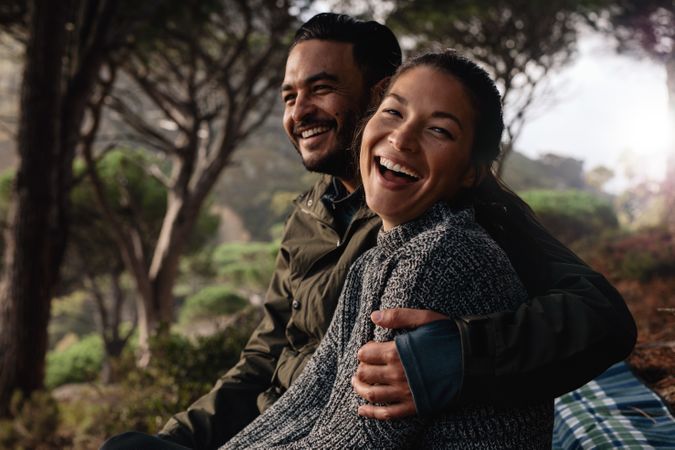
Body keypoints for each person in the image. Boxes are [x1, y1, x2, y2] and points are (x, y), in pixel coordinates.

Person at [101, 13, 636, 450]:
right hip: (281, 429)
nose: (300, 111)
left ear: (377, 90)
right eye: (289, 96)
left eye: (322, 88)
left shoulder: (456, 217)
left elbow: (601, 316)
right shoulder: (310, 213)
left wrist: (461, 354)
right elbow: (264, 361)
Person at [223, 49, 554, 449]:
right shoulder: (373, 261)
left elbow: (359, 439)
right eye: (394, 113)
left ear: (471, 172)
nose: (402, 138)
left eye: (439, 130)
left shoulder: (439, 254)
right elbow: (305, 402)